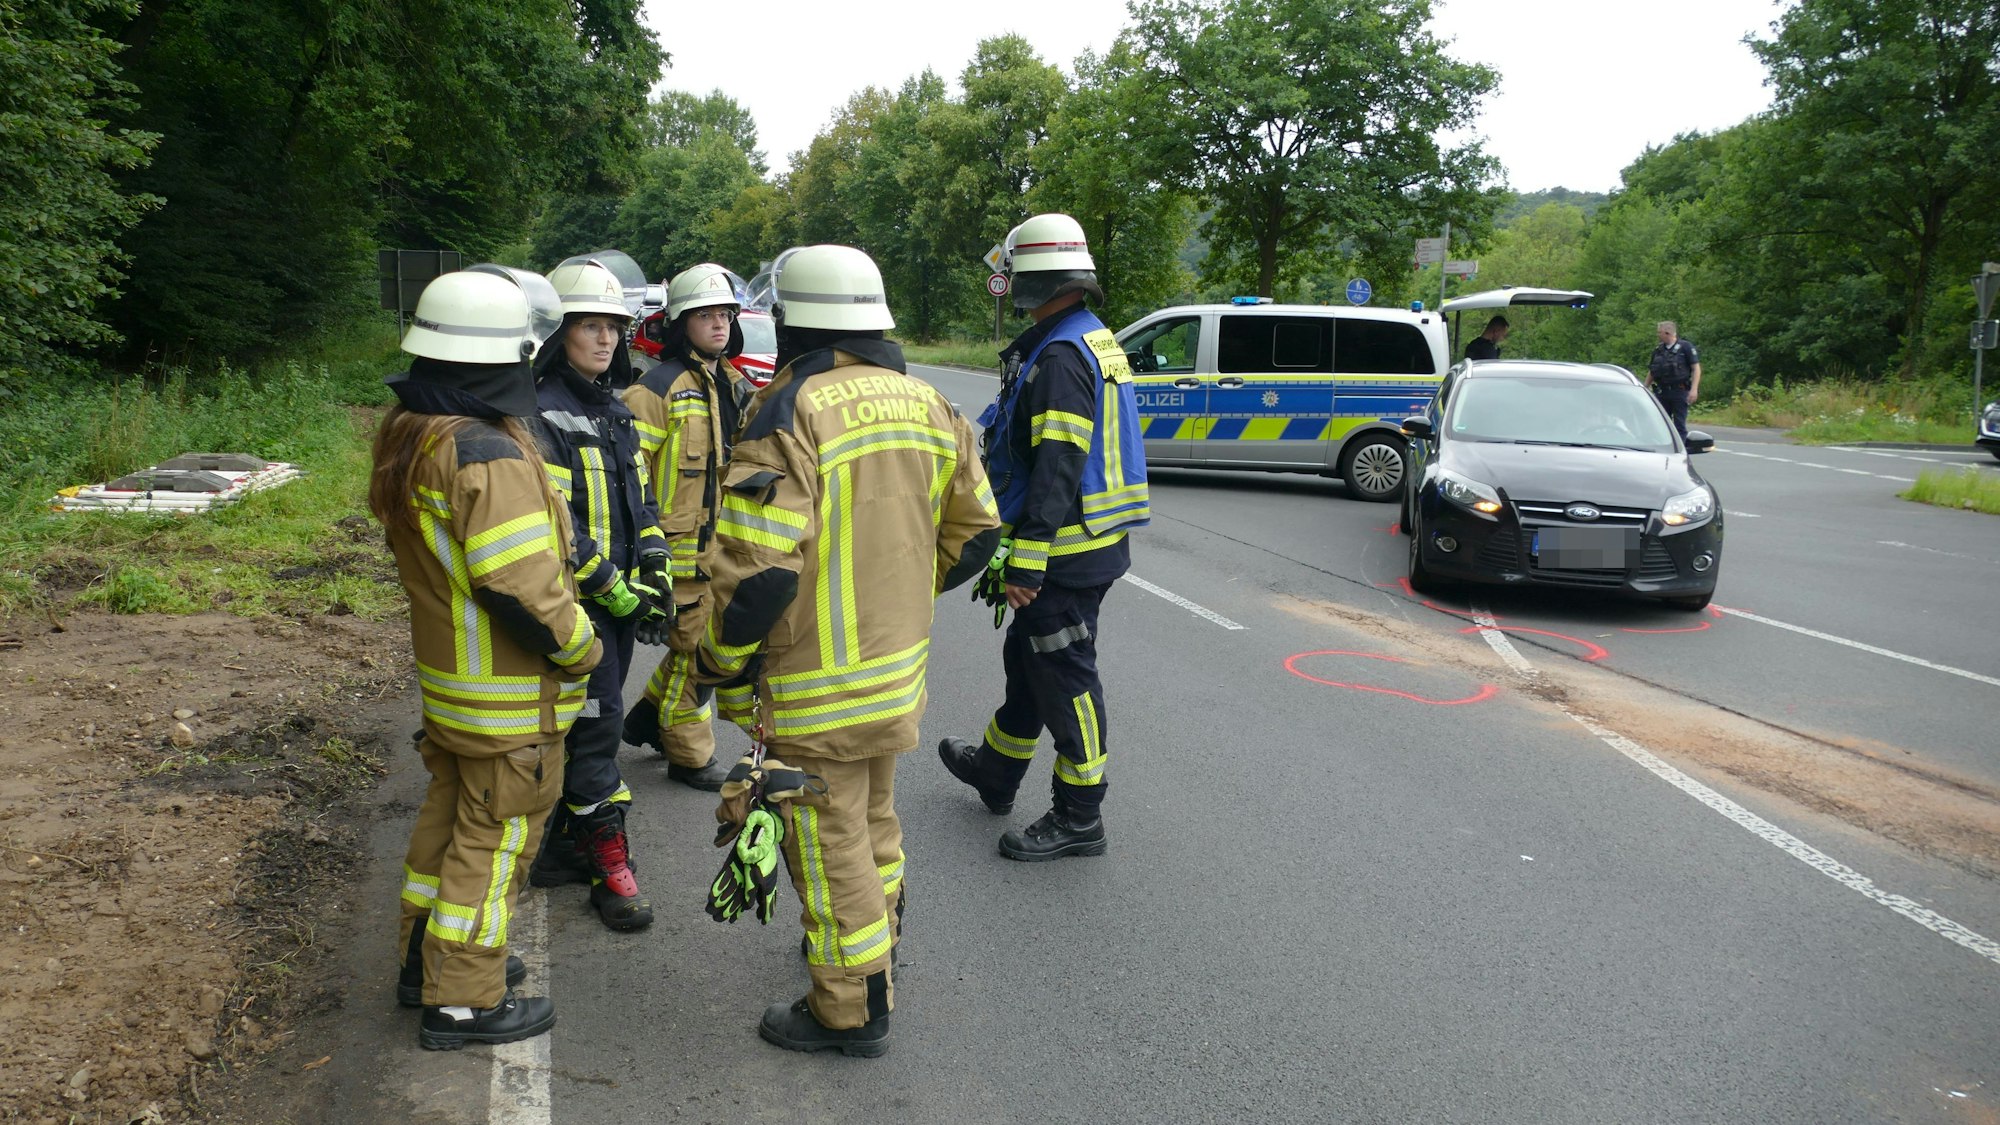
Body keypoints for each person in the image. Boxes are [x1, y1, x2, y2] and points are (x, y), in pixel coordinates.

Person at [695, 244, 1000, 1056]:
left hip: (812, 682)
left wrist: (715, 663)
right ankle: (880, 949)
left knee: (827, 844)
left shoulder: (787, 407)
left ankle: (850, 1007)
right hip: (893, 673)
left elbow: (757, 576)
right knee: (872, 821)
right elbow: (977, 537)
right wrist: (895, 595)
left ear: (791, 318)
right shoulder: (930, 402)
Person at [370, 270, 602, 1049]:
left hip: (454, 695)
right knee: (496, 845)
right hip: (510, 702)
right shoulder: (486, 452)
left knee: (445, 830)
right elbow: (523, 587)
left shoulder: (412, 432)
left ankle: (423, 963)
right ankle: (463, 999)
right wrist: (585, 647)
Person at [936, 212, 1151, 862]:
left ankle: (1080, 815)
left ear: (1031, 281)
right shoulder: (1089, 337)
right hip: (1086, 540)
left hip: (1066, 549)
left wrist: (1025, 558)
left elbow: (1060, 460)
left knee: (1065, 674)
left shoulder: (1059, 355)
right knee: (1029, 658)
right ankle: (997, 770)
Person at [523, 260, 672, 932]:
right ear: (560, 333)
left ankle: (558, 845)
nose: (606, 339)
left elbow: (641, 501)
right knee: (598, 728)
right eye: (591, 325)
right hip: (576, 609)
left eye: (614, 327)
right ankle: (611, 864)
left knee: (592, 726)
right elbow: (557, 525)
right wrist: (613, 590)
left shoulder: (616, 409)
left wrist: (658, 565)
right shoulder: (539, 412)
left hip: (618, 607)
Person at [622, 263, 758, 790]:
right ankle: (689, 754)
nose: (719, 324)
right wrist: (642, 554)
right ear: (681, 323)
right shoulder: (654, 390)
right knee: (694, 650)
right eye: (705, 315)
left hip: (721, 545)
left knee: (706, 645)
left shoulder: (733, 383)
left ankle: (645, 720)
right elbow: (629, 482)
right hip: (676, 550)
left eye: (724, 313)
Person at [1645, 320, 1702, 441]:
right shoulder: (1658, 350)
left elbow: (1696, 368)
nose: (1658, 335)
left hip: (1679, 391)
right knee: (1660, 424)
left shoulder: (1685, 347)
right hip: (1661, 392)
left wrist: (1694, 389)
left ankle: (1680, 452)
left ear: (1667, 333)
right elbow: (1652, 371)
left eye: (1659, 333)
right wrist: (1644, 387)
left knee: (1679, 425)